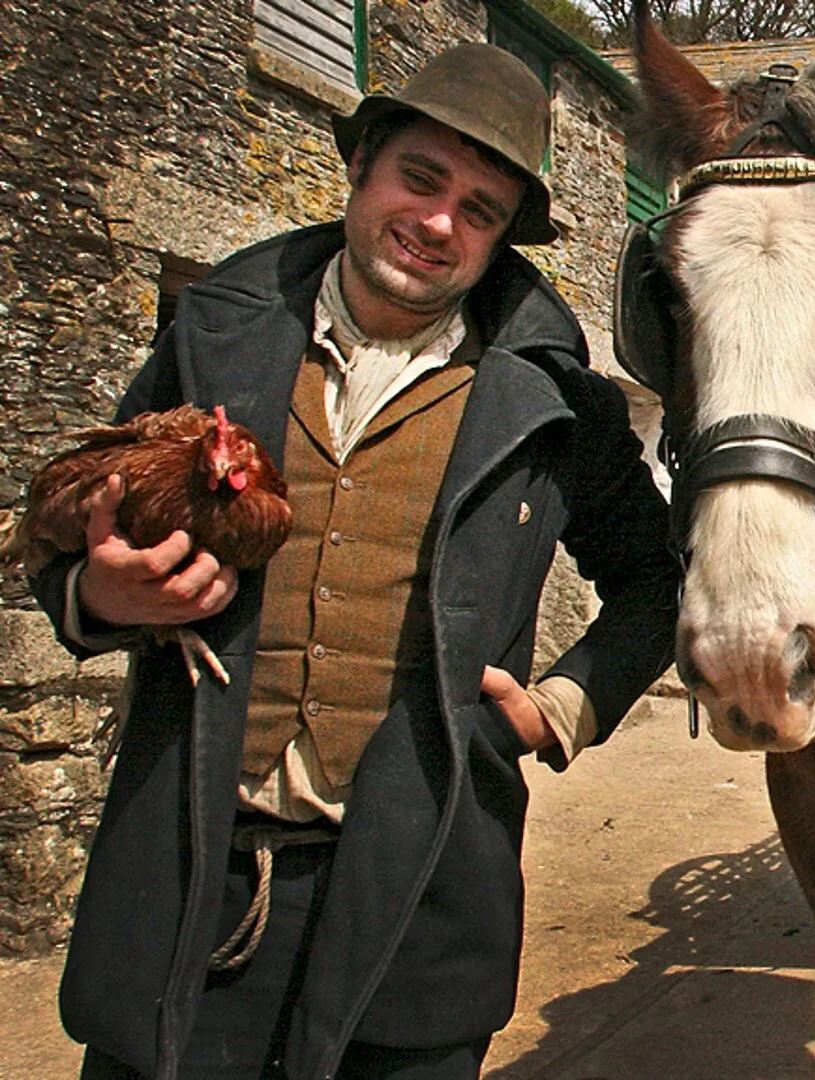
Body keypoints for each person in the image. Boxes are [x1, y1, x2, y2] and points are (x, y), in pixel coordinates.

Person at [32, 43, 679, 1080]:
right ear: (362, 166)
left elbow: (662, 578)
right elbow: (69, 536)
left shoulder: (556, 402)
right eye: (421, 180)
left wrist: (564, 706)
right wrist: (95, 595)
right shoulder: (214, 335)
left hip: (417, 901)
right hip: (182, 889)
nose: (438, 224)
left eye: (479, 210)